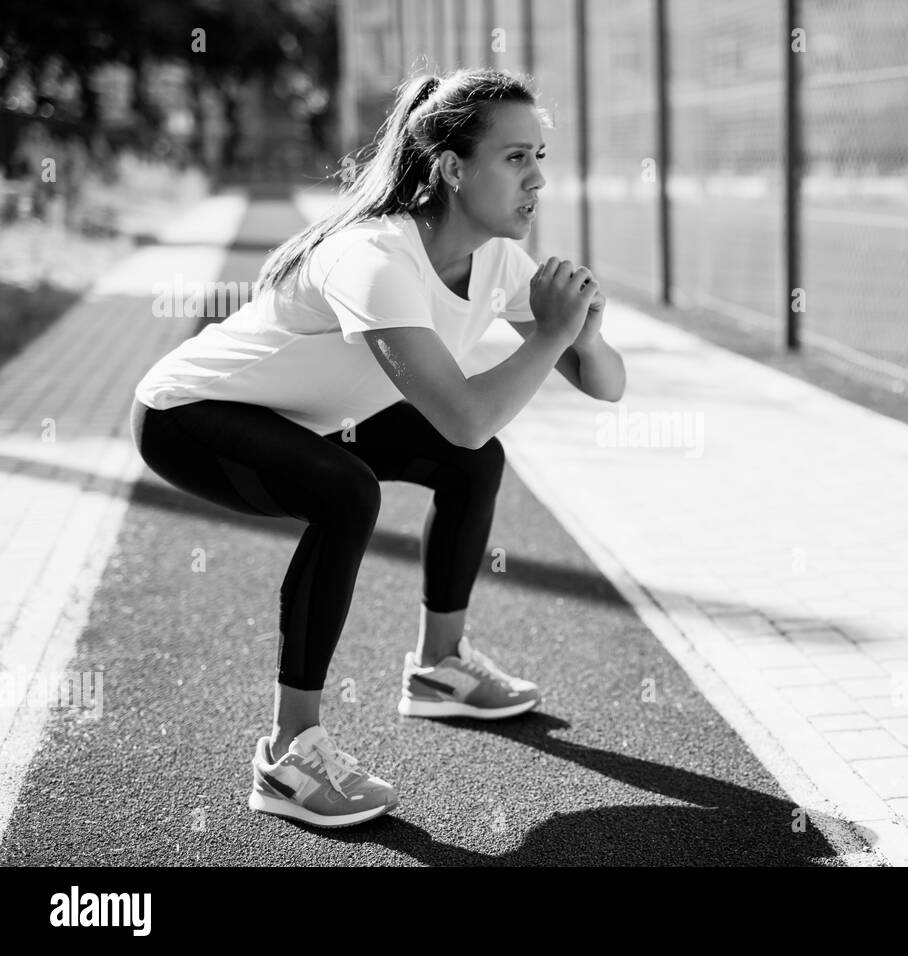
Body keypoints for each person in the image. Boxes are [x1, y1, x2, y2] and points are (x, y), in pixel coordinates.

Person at [129, 67, 626, 829]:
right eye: (516, 157)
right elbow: (464, 414)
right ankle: (289, 755)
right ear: (455, 168)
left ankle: (440, 670)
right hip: (190, 412)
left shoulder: (495, 259)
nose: (538, 179)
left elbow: (607, 386)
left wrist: (581, 333)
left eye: (541, 157)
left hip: (309, 415)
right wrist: (552, 335)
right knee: (346, 489)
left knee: (474, 465)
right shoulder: (374, 257)